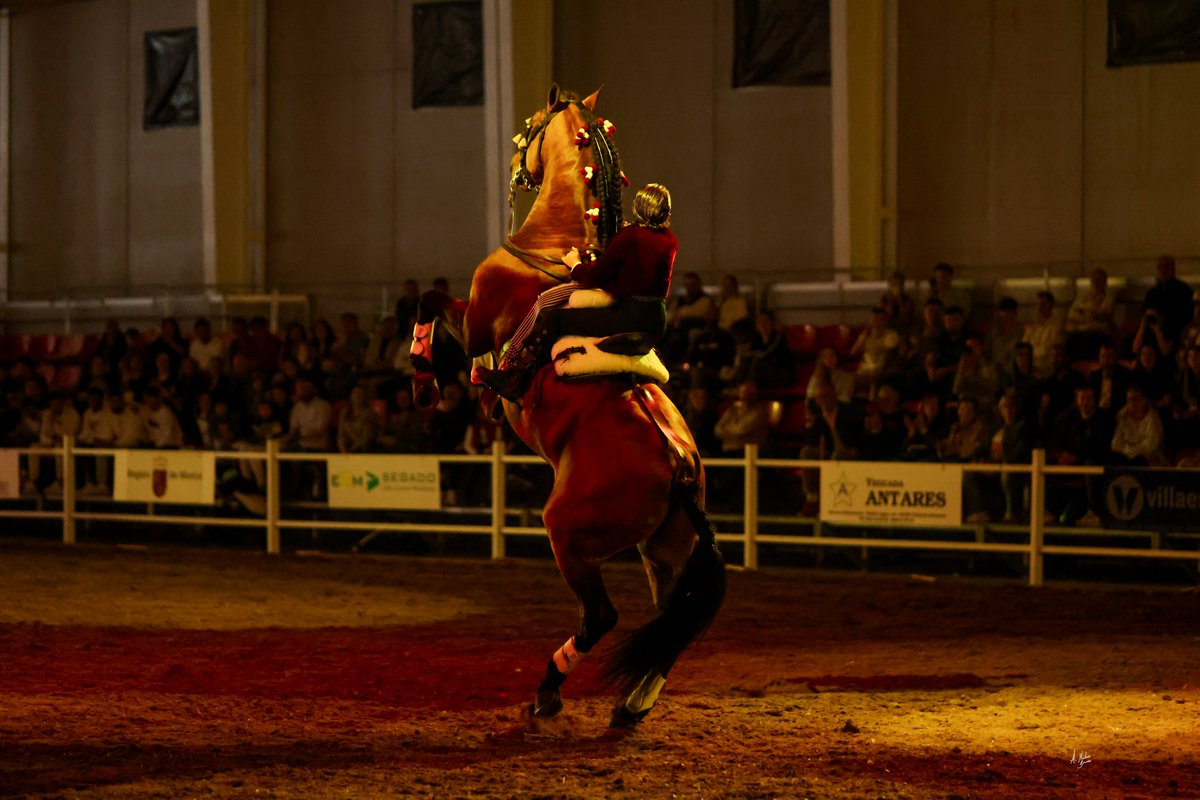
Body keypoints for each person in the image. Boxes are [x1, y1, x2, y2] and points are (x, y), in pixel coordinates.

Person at [478, 183, 678, 401]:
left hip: (629, 316)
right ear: (665, 212)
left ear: (638, 207)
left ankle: (516, 380)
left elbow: (594, 278)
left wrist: (575, 264)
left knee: (555, 319)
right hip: (656, 320)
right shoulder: (670, 240)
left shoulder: (630, 236)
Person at [1143, 254, 1192, 345]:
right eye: (1160, 267)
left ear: (1173, 269)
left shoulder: (1183, 290)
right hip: (1154, 339)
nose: (1163, 270)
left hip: (1176, 338)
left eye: (1167, 266)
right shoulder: (1151, 293)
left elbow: (1187, 317)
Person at [1111, 387, 1165, 466]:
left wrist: (1126, 449)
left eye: (1135, 399)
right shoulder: (1123, 417)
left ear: (1144, 400)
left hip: (1150, 466)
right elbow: (1115, 445)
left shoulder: (1153, 418)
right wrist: (1133, 451)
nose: (1131, 403)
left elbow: (1150, 446)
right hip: (1126, 463)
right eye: (1129, 399)